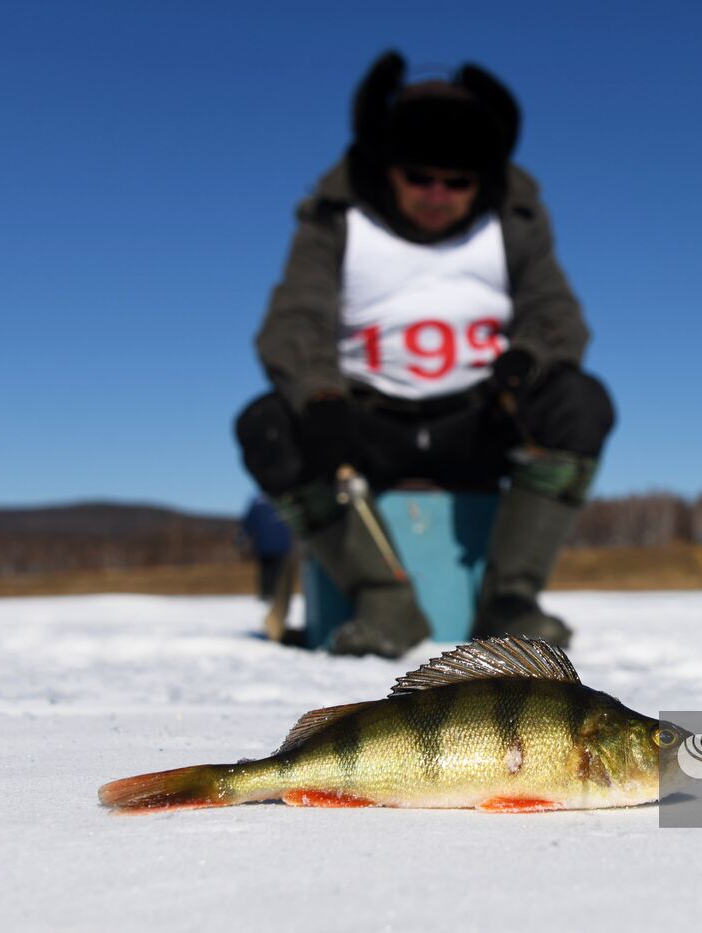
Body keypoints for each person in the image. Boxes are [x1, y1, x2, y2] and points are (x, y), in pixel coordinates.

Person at [235, 51, 614, 658]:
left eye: (457, 181)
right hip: (364, 423)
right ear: (389, 168)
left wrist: (525, 360)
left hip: (482, 417)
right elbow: (293, 320)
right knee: (269, 426)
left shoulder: (514, 220)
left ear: (481, 179)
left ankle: (510, 601)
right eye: (419, 177)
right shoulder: (337, 218)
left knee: (580, 404)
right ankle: (382, 600)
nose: (437, 194)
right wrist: (321, 397)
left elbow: (556, 314)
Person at [239, 492, 293, 602]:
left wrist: (243, 536)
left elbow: (248, 523)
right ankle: (273, 595)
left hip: (265, 545)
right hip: (280, 545)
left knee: (267, 571)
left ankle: (267, 594)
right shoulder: (283, 498)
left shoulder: (257, 501)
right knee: (276, 572)